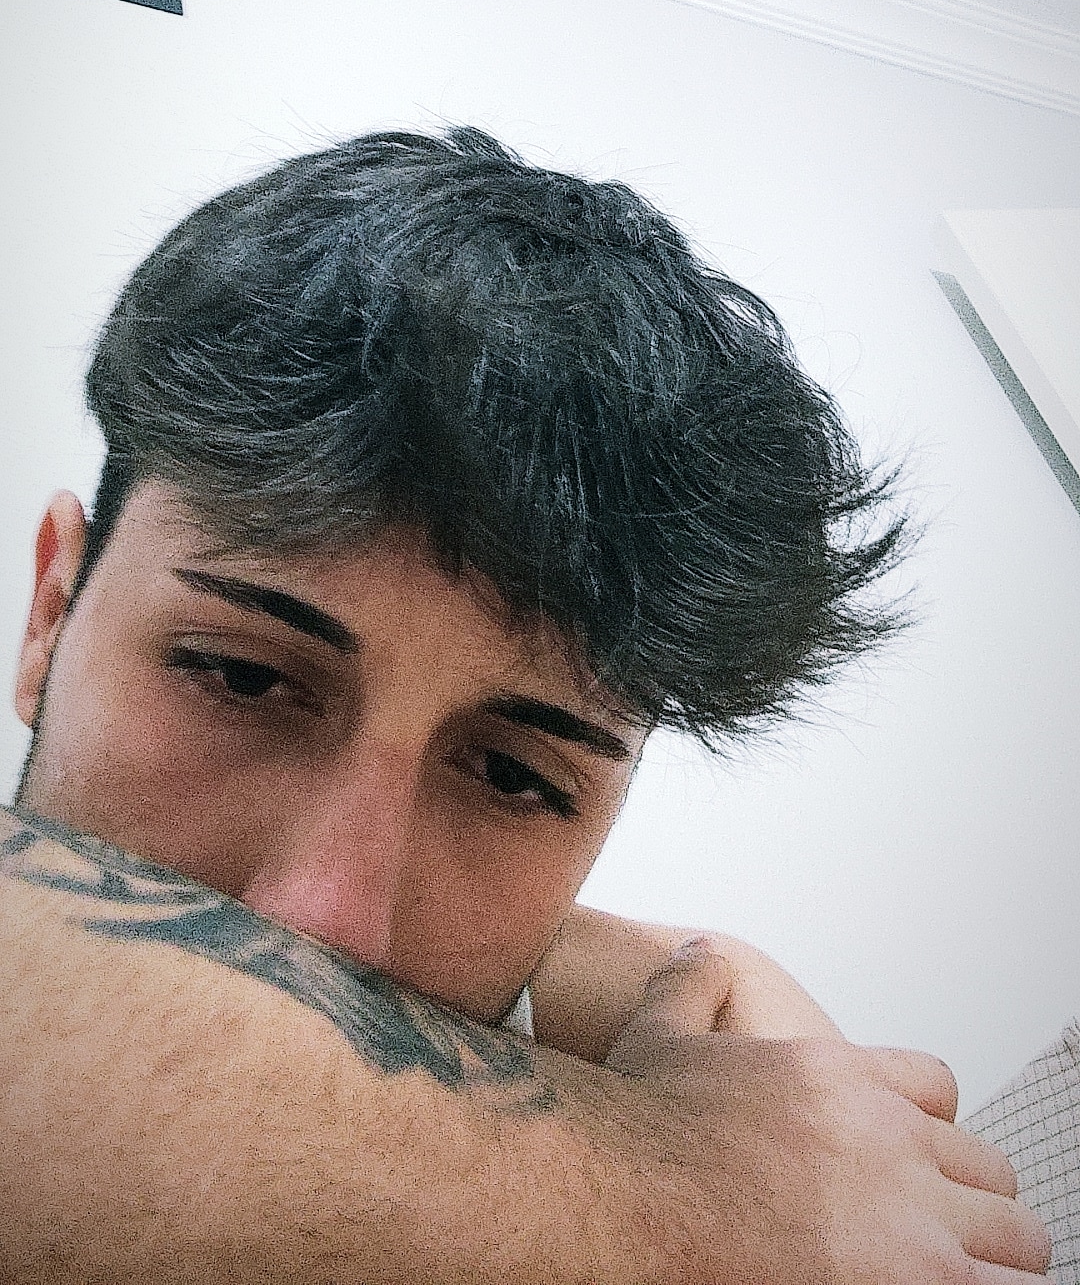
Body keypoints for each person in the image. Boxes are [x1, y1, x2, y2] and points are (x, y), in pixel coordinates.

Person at [0, 125, 1050, 1282]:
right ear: (51, 615)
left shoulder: (717, 1033)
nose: (326, 918)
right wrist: (691, 1200)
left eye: (512, 777)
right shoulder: (730, 1163)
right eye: (244, 676)